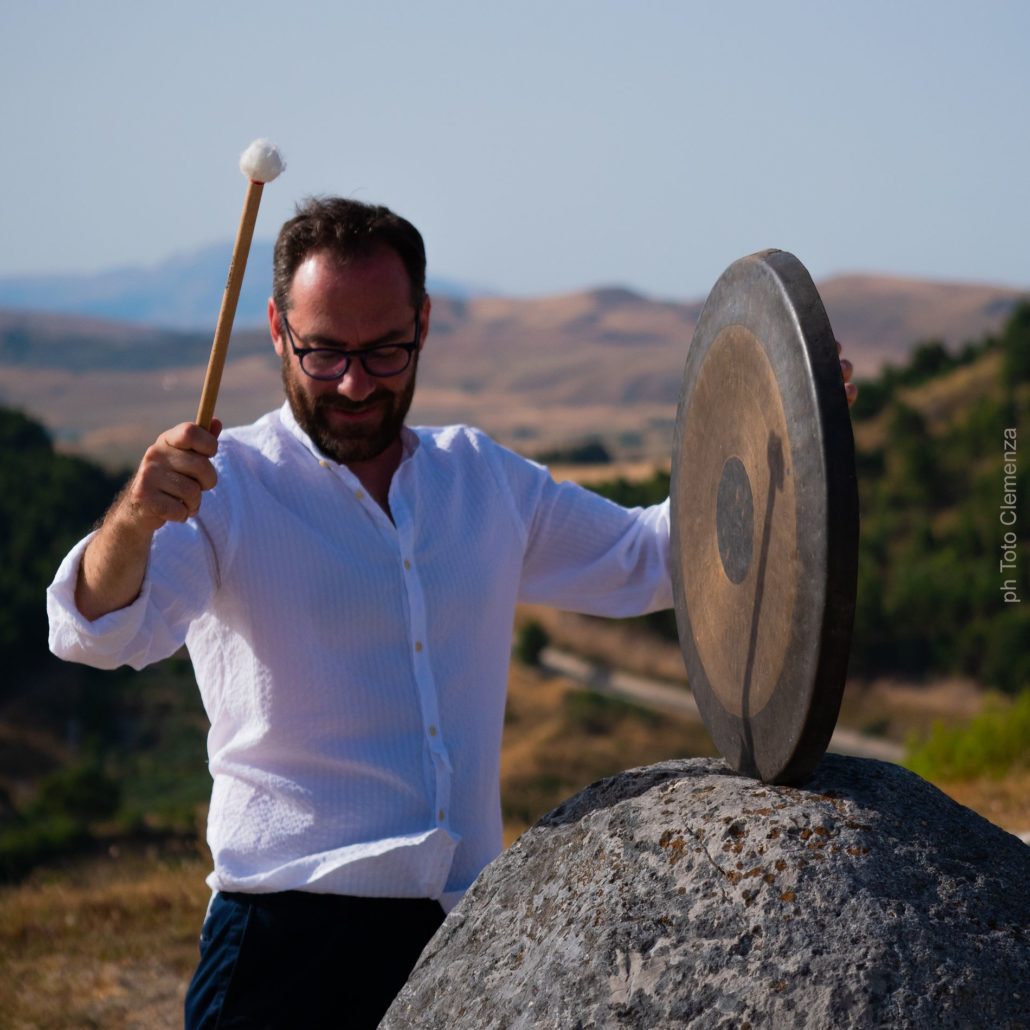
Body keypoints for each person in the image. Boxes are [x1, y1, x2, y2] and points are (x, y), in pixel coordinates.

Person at [47, 197, 858, 1028]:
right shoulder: (227, 489)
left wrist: (790, 421)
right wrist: (135, 520)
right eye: (323, 352)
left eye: (385, 350)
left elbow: (654, 556)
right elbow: (97, 632)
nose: (356, 382)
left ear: (424, 324)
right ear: (276, 328)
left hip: (467, 937)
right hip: (284, 945)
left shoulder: (482, 478)